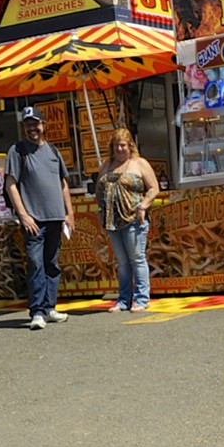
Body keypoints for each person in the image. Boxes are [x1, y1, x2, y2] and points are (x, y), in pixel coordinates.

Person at [4, 106, 75, 331]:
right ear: (23, 127)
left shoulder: (53, 151)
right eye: (27, 125)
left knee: (51, 264)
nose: (32, 128)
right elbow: (11, 184)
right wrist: (23, 215)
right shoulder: (17, 151)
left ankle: (49, 307)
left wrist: (69, 212)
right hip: (34, 219)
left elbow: (63, 183)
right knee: (36, 265)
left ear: (43, 125)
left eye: (35, 124)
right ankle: (37, 312)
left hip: (55, 217)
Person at [94, 128, 160, 312]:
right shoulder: (107, 164)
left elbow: (154, 188)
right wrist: (100, 208)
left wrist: (143, 205)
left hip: (133, 218)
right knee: (122, 262)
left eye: (123, 145)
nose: (120, 149)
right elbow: (99, 189)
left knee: (137, 258)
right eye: (116, 146)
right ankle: (123, 299)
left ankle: (141, 299)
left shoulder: (139, 163)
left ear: (130, 145)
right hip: (112, 221)